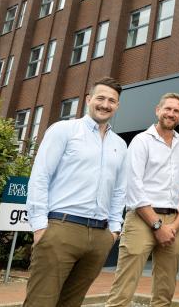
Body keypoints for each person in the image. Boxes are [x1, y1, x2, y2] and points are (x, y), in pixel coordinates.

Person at [25, 77, 128, 307]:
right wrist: (40, 226)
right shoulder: (64, 130)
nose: (105, 104)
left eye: (112, 100)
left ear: (117, 106)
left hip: (100, 236)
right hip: (60, 229)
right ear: (89, 99)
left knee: (72, 303)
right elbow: (40, 177)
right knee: (40, 302)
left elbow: (119, 190)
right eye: (100, 98)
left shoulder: (120, 144)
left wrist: (113, 229)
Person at [106, 92, 179, 306]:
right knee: (124, 286)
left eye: (176, 111)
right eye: (168, 108)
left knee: (165, 290)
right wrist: (157, 226)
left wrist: (175, 224)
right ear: (158, 110)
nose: (171, 113)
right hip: (141, 218)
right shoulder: (141, 141)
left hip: (174, 222)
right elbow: (134, 187)